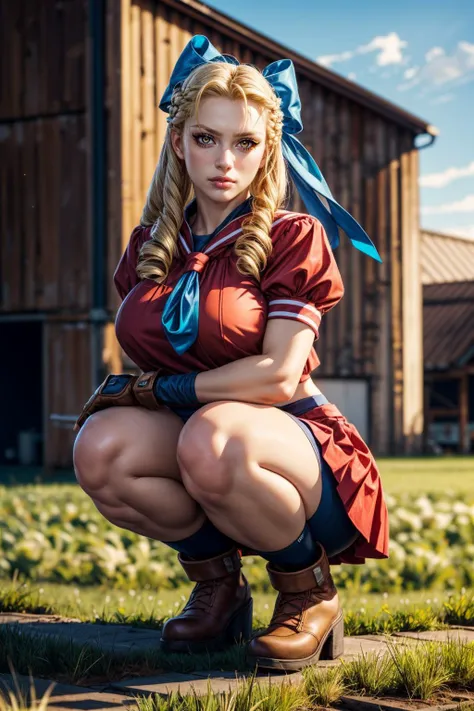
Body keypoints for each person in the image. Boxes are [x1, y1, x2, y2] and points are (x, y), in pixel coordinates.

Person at [73, 35, 389, 672]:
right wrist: (152, 396)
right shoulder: (147, 248)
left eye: (245, 142)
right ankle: (220, 588)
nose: (225, 160)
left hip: (293, 450)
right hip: (201, 438)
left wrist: (160, 391)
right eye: (206, 138)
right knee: (100, 448)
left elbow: (277, 375)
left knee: (209, 440)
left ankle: (309, 590)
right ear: (179, 142)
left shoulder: (292, 236)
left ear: (268, 148)